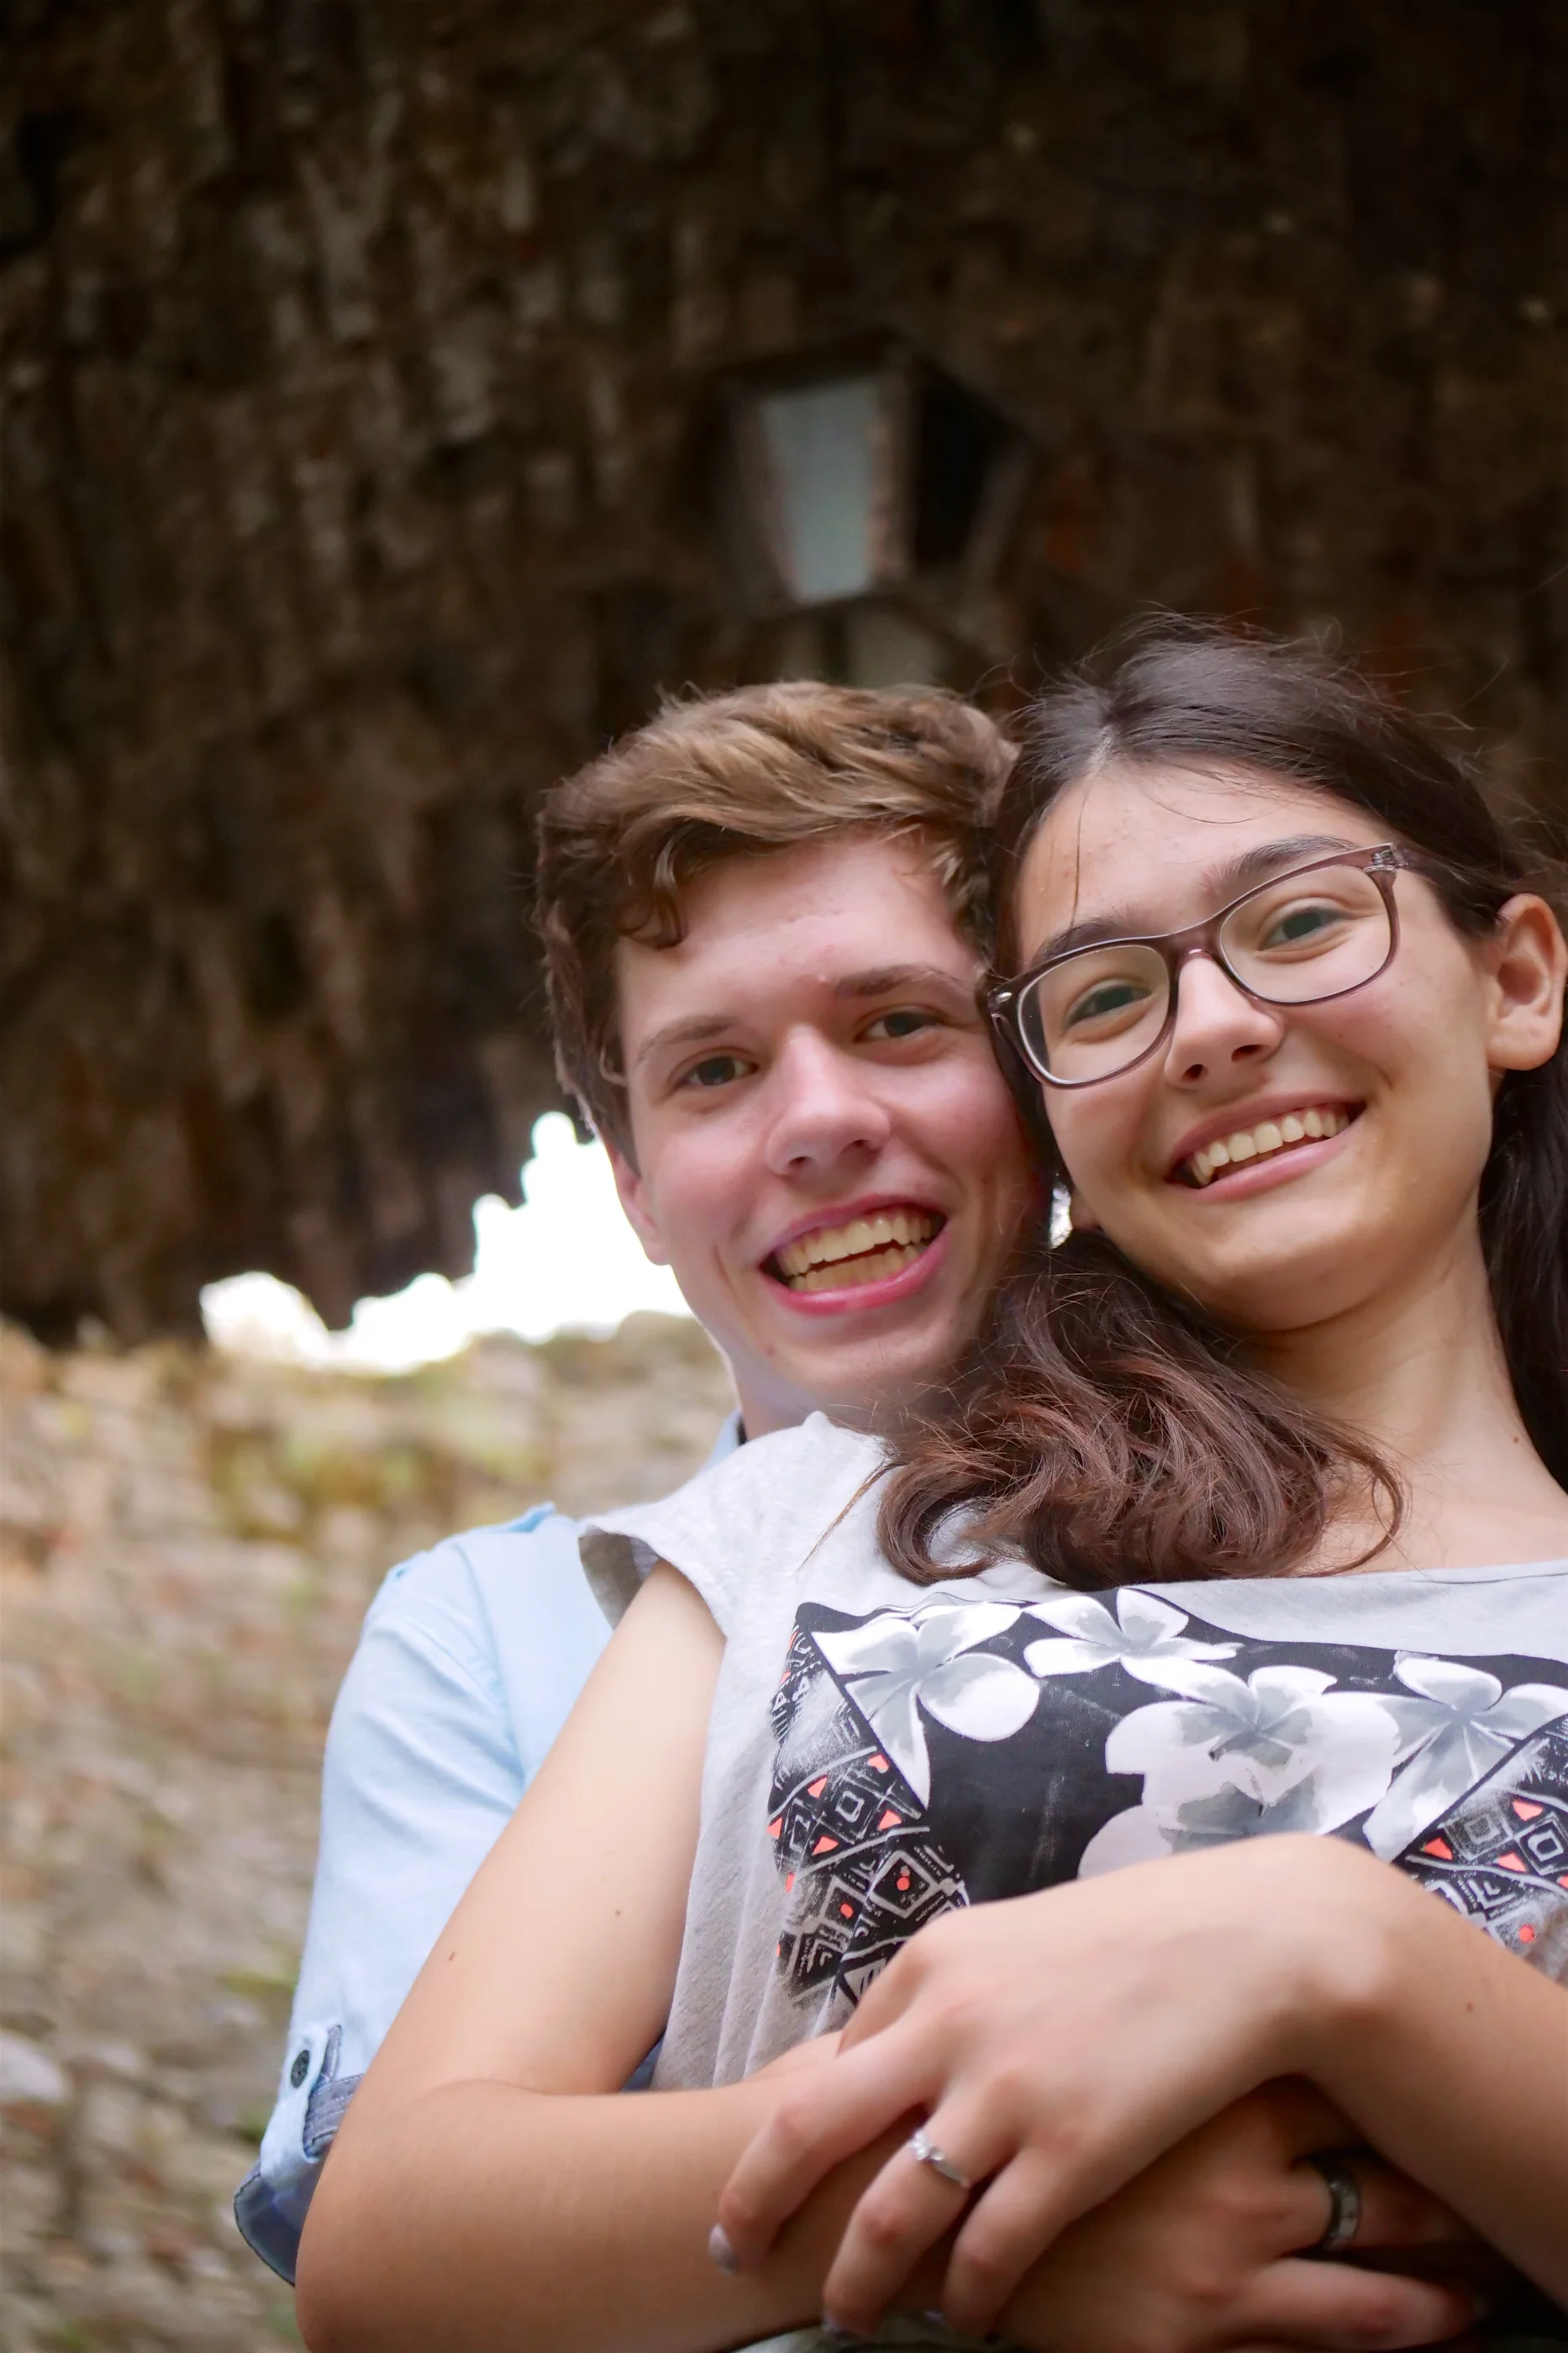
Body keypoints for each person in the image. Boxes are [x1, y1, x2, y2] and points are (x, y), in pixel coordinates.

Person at [292, 625, 1568, 2353]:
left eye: (1297, 923)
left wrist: (1342, 1947)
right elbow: (394, 2231)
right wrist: (972, 2219)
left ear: (1515, 978)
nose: (1212, 1026)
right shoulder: (804, 1527)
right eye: (1109, 992)